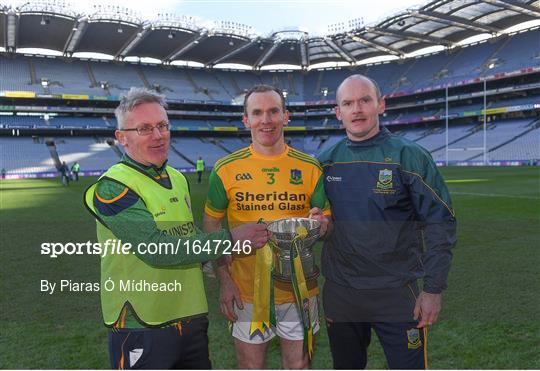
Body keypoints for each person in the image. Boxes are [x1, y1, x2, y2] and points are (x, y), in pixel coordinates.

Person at [83, 87, 269, 369]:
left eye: (162, 126)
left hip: (191, 316)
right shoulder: (112, 187)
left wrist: (224, 278)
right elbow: (155, 248)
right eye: (144, 128)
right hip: (143, 323)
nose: (158, 135)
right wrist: (230, 238)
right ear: (122, 138)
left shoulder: (176, 178)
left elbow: (187, 237)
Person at [317, 74, 457, 369]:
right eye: (348, 103)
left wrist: (432, 289)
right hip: (342, 293)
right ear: (338, 112)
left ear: (380, 105)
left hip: (396, 292)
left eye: (365, 100)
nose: (357, 109)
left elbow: (440, 223)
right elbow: (319, 221)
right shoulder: (325, 162)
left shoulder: (410, 156)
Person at [203, 85, 331, 369]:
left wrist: (320, 225)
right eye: (257, 112)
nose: (266, 119)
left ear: (286, 116)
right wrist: (224, 279)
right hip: (245, 292)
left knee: (298, 366)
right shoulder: (225, 169)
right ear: (246, 120)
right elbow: (212, 224)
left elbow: (325, 223)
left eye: (274, 111)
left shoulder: (311, 167)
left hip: (299, 292)